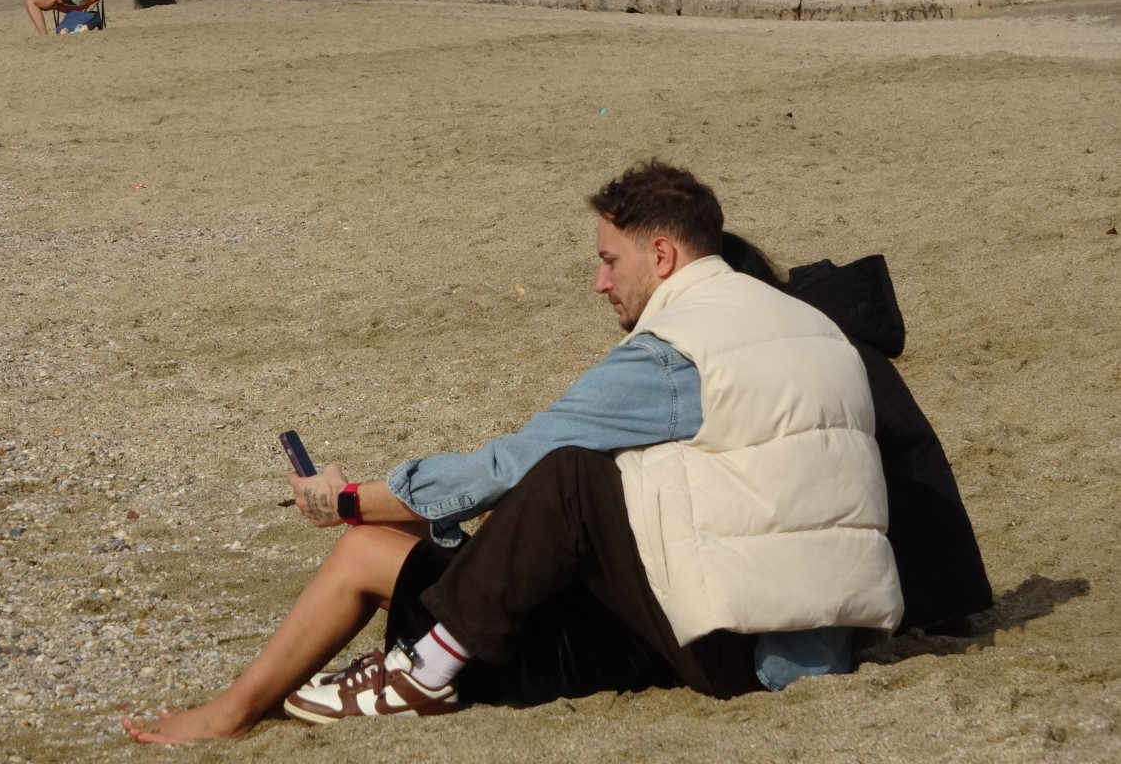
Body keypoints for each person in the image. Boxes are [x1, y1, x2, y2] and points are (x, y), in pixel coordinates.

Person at [121, 160, 907, 742]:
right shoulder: (808, 326)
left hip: (732, 648)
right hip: (811, 637)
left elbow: (513, 466)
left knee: (555, 476)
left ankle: (340, 687)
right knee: (536, 498)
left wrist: (349, 500)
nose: (599, 282)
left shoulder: (676, 351)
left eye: (609, 260)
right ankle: (312, 685)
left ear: (662, 255)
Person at [25, 0, 101, 37]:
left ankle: (44, 37)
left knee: (30, 0)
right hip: (74, 0)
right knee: (39, 2)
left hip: (71, 0)